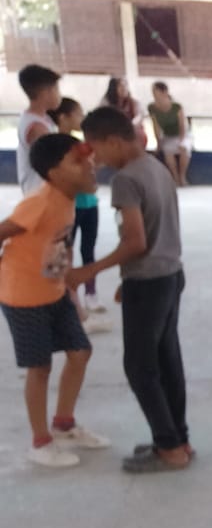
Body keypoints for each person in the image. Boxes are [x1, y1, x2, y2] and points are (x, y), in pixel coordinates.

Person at [75, 107, 191, 473]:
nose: (96, 159)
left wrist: (89, 271)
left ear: (113, 141)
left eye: (96, 149)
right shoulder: (157, 167)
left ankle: (169, 447)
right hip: (170, 274)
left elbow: (136, 241)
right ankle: (178, 438)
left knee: (140, 367)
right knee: (167, 361)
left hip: (149, 282)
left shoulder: (125, 179)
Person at [0, 134, 110, 468]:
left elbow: (60, 245)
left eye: (89, 159)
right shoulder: (39, 202)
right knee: (40, 367)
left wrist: (70, 289)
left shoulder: (69, 198)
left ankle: (63, 424)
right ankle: (40, 442)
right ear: (53, 172)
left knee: (80, 352)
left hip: (54, 290)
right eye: (78, 161)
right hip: (24, 296)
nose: (90, 166)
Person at [48, 99, 104, 314]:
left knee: (88, 250)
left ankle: (91, 294)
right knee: (64, 252)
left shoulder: (81, 143)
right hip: (69, 206)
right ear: (63, 117)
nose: (82, 118)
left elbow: (94, 165)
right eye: (78, 114)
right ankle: (65, 296)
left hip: (89, 204)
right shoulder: (53, 146)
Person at [16, 64, 61, 197]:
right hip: (40, 193)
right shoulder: (37, 128)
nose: (59, 94)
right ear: (44, 93)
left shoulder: (42, 118)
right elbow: (54, 161)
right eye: (56, 89)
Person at [146, 82, 191, 187]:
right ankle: (175, 178)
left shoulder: (176, 107)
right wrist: (158, 143)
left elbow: (182, 126)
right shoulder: (151, 107)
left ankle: (182, 176)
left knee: (184, 148)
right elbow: (155, 126)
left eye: (157, 92)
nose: (155, 96)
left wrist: (181, 141)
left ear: (165, 92)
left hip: (182, 135)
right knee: (168, 151)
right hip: (168, 136)